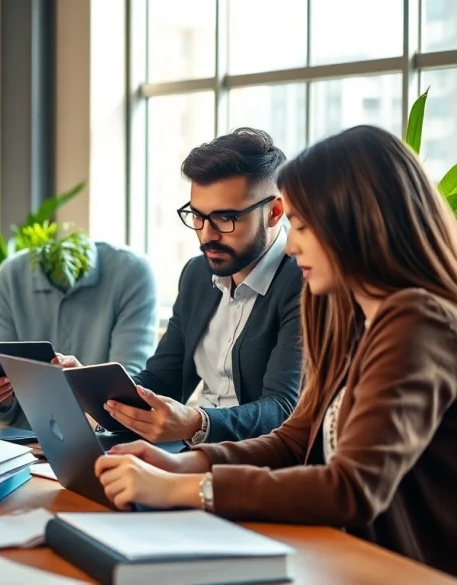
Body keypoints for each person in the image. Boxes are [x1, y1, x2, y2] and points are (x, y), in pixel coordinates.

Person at [95, 125, 457, 576]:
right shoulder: (346, 314)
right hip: (331, 554)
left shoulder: (418, 322)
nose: (292, 243)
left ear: (359, 225)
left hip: (400, 569)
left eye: (303, 226)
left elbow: (352, 489)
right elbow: (295, 439)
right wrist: (181, 464)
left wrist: (185, 490)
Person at [0, 128, 304, 445]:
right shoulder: (197, 276)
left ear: (274, 212)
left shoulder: (301, 282)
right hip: (196, 457)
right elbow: (162, 380)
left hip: (259, 466)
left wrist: (197, 422)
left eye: (225, 218)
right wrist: (89, 384)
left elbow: (282, 409)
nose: (207, 235)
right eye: (197, 216)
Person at [0, 239, 159, 414]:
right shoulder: (11, 276)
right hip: (23, 438)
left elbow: (132, 385)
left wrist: (85, 384)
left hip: (105, 433)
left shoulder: (131, 272)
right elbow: (4, 385)